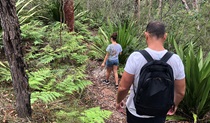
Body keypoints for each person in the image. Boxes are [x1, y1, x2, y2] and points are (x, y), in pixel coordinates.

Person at [116, 21, 186, 123]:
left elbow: (123, 87)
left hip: (136, 111)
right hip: (160, 112)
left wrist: (118, 101)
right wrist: (174, 104)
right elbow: (180, 91)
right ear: (165, 36)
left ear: (146, 35)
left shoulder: (136, 57)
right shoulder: (176, 60)